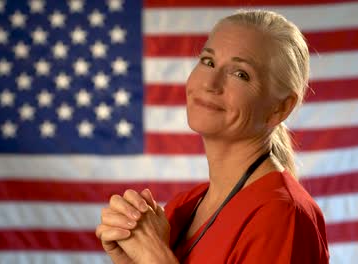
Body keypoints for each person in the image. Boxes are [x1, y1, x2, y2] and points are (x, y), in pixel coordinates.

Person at [96, 9, 330, 263]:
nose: (209, 83)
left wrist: (154, 256)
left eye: (240, 74)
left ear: (280, 108)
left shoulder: (283, 215)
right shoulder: (184, 207)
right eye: (208, 61)